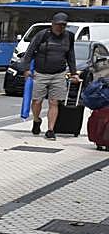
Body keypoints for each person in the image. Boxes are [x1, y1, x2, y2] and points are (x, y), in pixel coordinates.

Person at [25, 12, 80, 140]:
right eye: (58, 25)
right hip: (40, 73)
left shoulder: (69, 37)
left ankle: (50, 130)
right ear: (52, 24)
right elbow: (30, 52)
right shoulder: (42, 35)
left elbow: (70, 56)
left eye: (63, 25)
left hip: (59, 74)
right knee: (36, 101)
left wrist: (74, 73)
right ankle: (37, 120)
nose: (60, 27)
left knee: (54, 102)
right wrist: (26, 69)